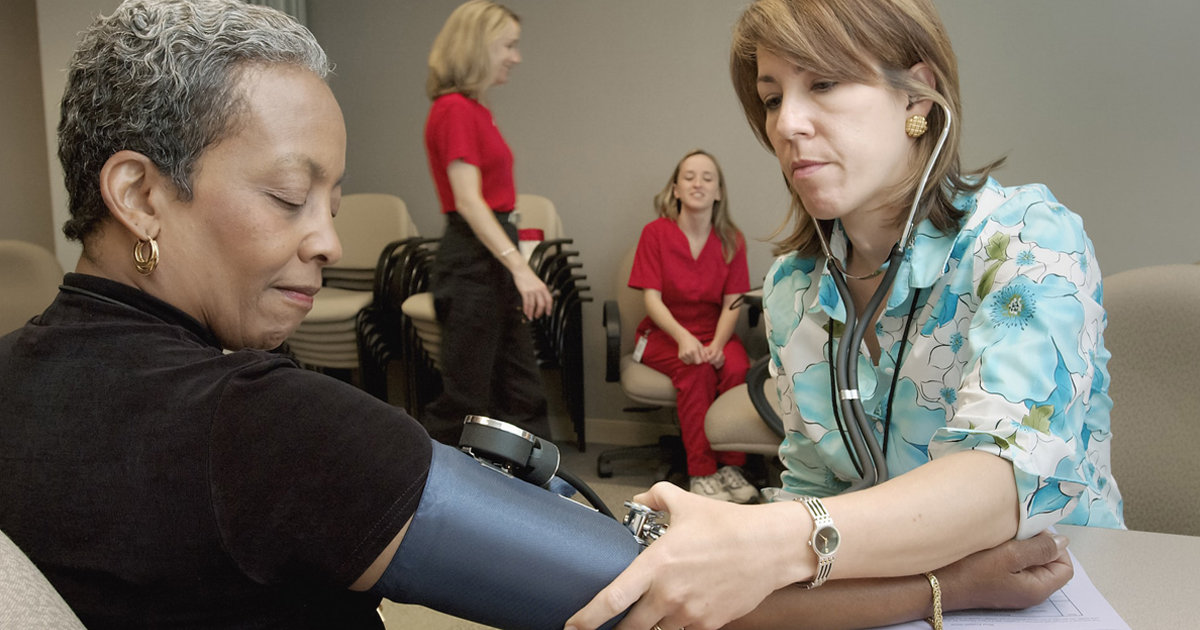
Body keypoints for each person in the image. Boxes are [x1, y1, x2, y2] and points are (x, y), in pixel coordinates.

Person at [0, 2, 640, 629]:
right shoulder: (265, 425)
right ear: (139, 195)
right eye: (289, 197)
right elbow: (638, 587)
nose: (328, 243)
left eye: (330, 206)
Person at [566, 1, 1119, 629]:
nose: (786, 125)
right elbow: (811, 508)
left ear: (918, 98)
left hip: (1060, 589)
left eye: (823, 83)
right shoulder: (791, 291)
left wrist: (766, 539)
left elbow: (1002, 484)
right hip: (876, 597)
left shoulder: (1027, 240)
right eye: (772, 98)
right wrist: (935, 586)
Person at [421, 0, 553, 445]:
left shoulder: (477, 110)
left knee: (520, 391)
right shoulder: (454, 109)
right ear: (478, 45)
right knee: (466, 399)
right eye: (509, 45)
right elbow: (469, 202)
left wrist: (514, 268)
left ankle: (541, 495)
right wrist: (521, 268)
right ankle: (423, 499)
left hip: (491, 257)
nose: (516, 57)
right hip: (473, 263)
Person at [628, 150, 756, 503]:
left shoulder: (732, 239)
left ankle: (731, 466)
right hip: (664, 333)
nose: (698, 183)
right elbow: (651, 300)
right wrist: (683, 337)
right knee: (696, 368)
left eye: (707, 177)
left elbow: (734, 300)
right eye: (689, 176)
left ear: (718, 192)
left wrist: (718, 342)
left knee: (737, 367)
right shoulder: (655, 234)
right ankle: (701, 472)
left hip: (714, 330)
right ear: (675, 189)